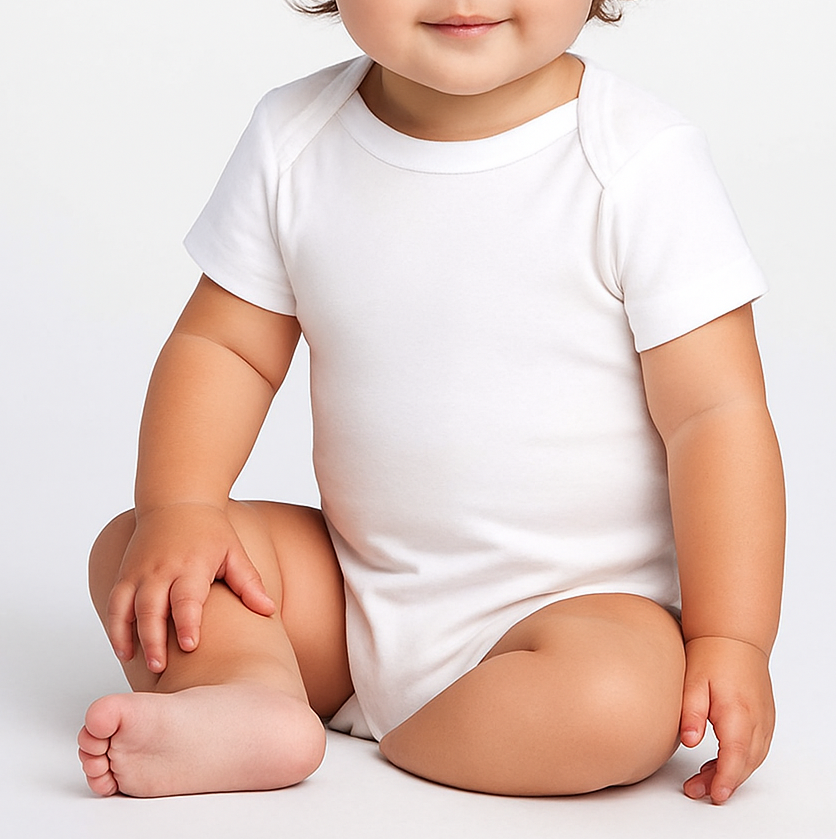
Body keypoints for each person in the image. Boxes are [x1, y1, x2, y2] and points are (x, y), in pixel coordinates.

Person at [77, 0, 785, 804]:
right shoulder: (295, 138)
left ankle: (404, 740)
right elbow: (224, 348)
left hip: (577, 612)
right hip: (350, 592)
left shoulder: (637, 162)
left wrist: (733, 635)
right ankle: (252, 696)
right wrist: (180, 504)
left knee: (617, 699)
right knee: (141, 546)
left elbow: (717, 419)